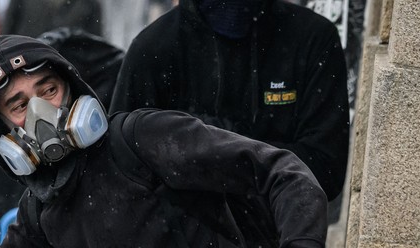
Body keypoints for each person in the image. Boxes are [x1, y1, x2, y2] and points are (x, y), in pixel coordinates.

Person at [0, 35, 328, 247]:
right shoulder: (37, 214)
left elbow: (281, 172)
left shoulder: (142, 138)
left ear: (73, 88)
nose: (42, 111)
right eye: (20, 105)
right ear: (6, 131)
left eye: (49, 89)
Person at [109, 0, 350, 203]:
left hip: (277, 235)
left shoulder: (312, 39)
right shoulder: (154, 48)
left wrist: (202, 151)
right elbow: (119, 173)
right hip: (178, 236)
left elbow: (325, 169)